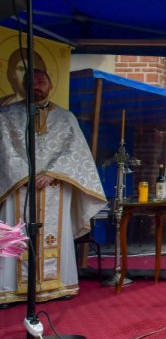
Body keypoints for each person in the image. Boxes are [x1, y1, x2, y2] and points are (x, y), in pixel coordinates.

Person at [0, 66, 106, 305]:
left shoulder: (66, 117)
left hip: (55, 188)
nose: (37, 85)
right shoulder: (6, 116)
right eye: (31, 81)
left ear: (50, 85)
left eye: (41, 81)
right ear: (22, 85)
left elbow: (75, 151)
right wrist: (24, 174)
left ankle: (56, 285)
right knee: (15, 231)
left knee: (54, 234)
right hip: (18, 186)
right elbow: (4, 151)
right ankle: (9, 290)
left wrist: (52, 174)